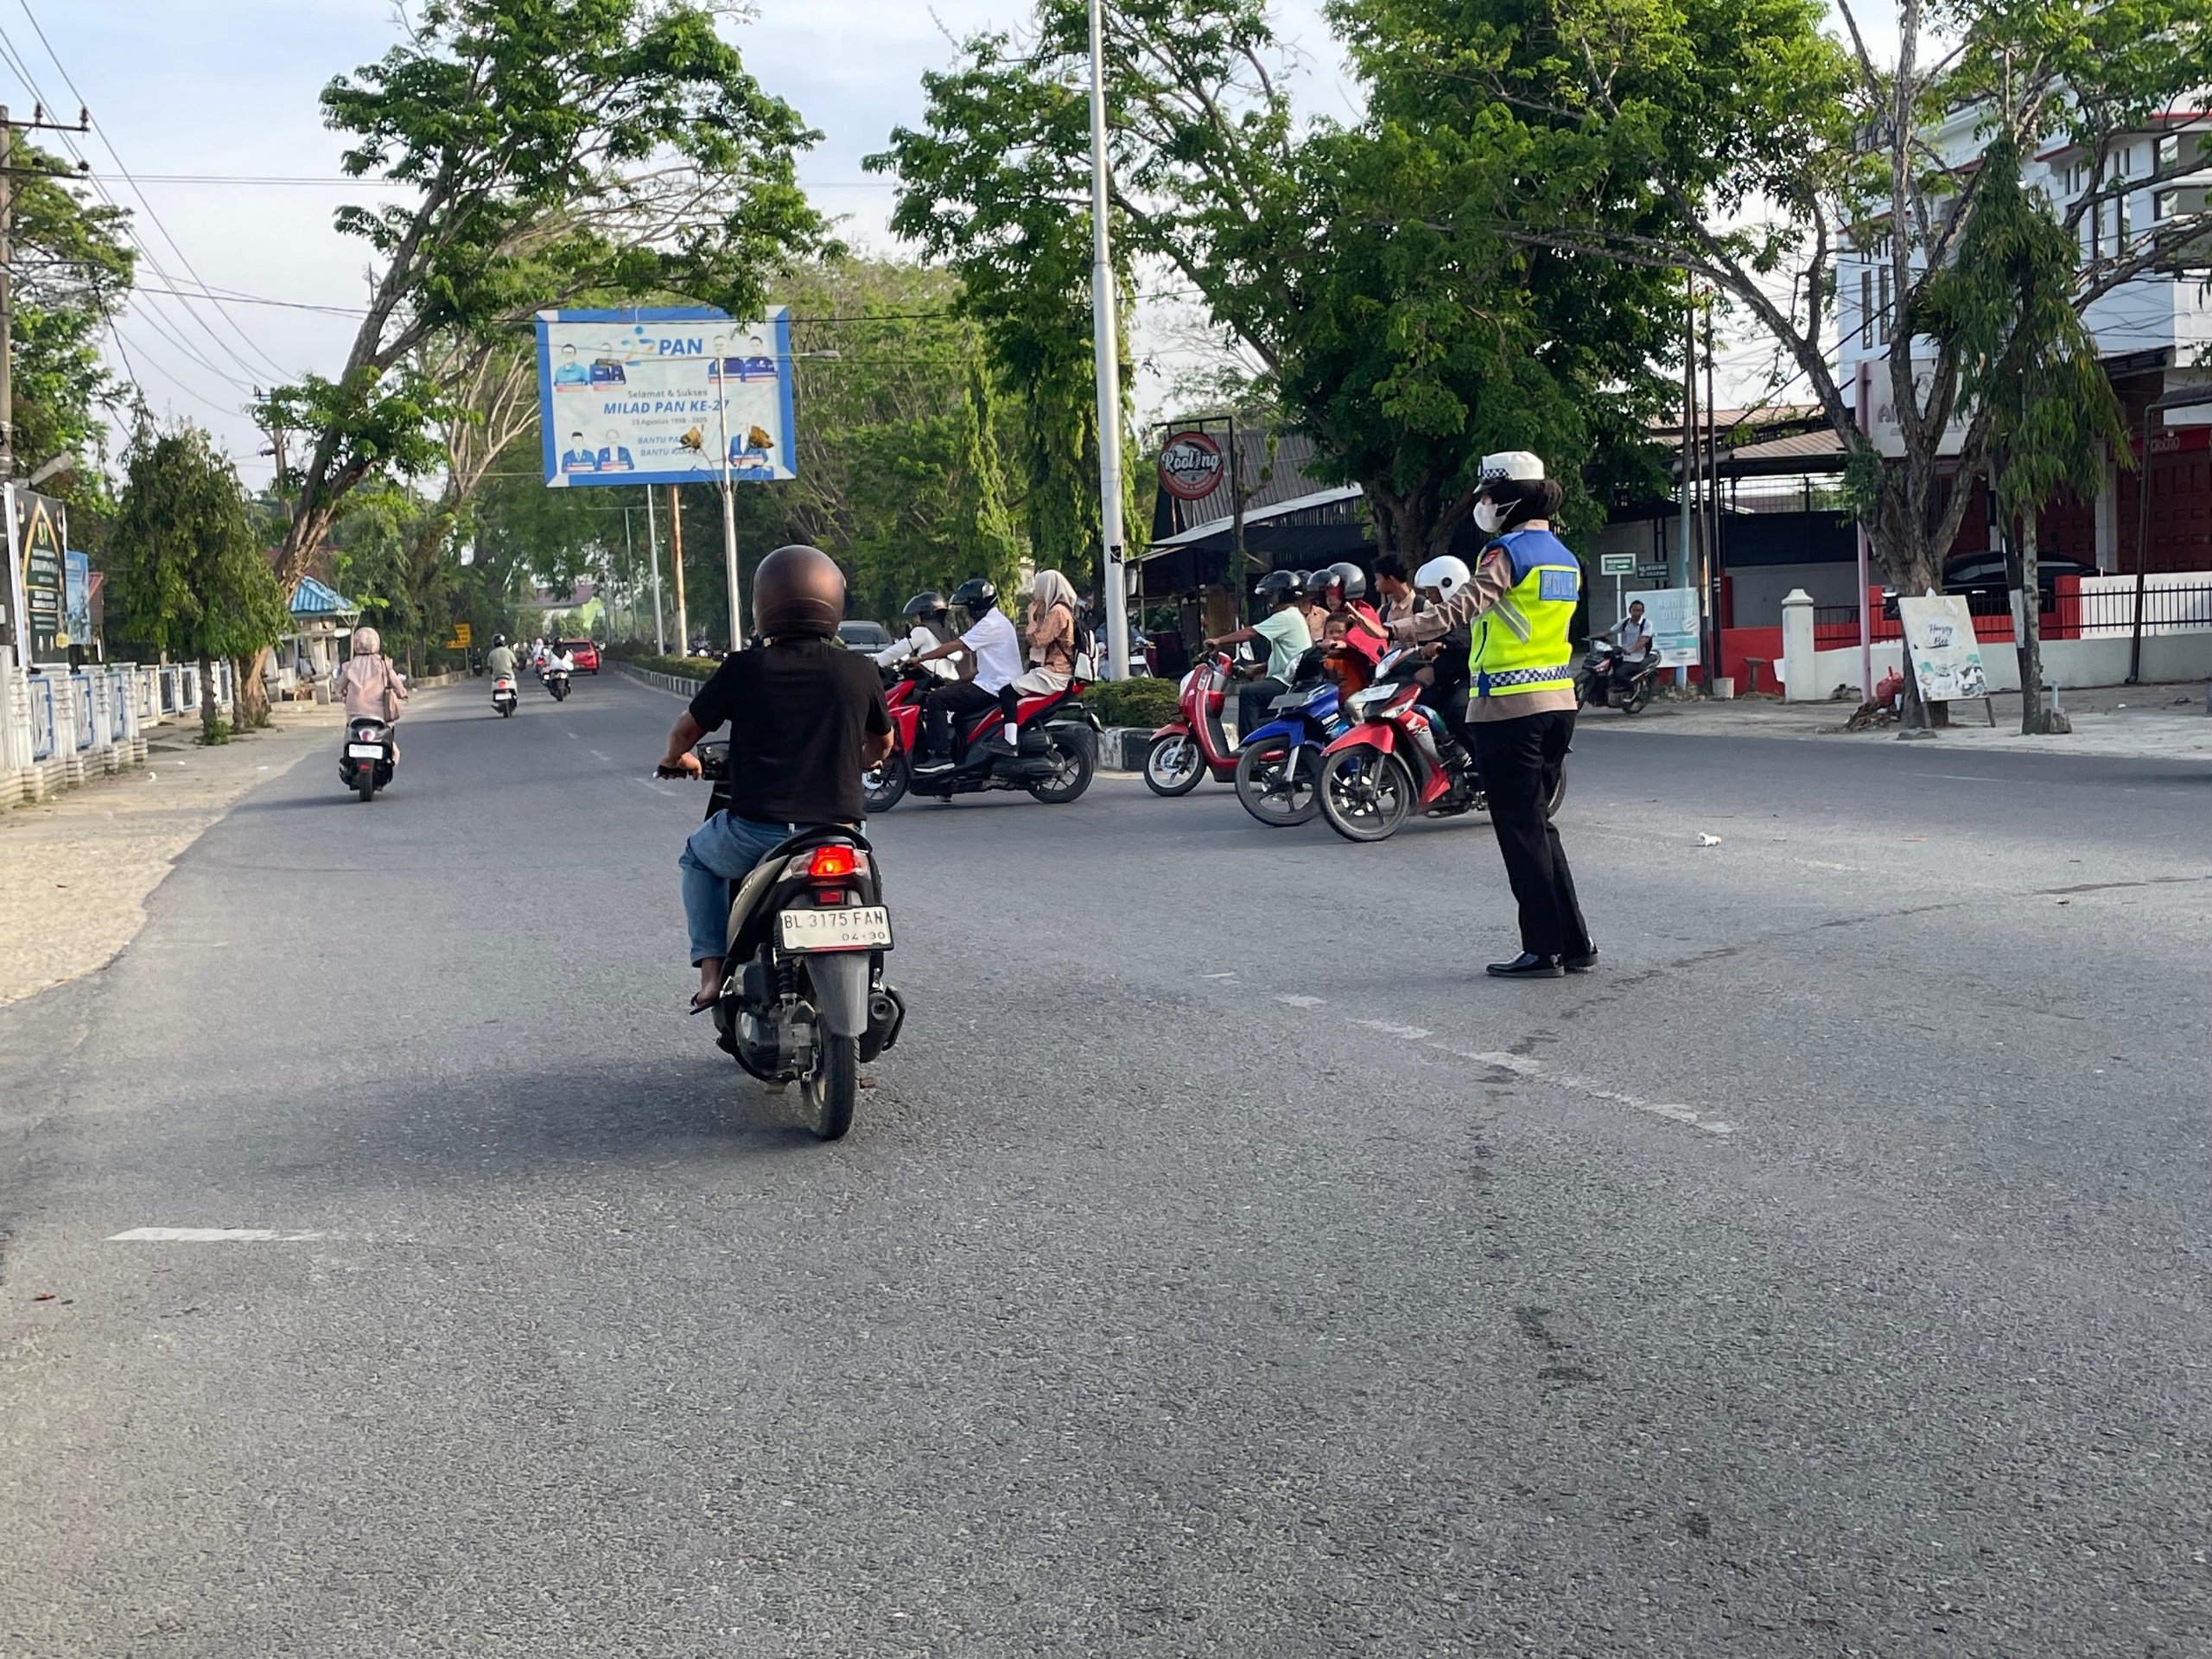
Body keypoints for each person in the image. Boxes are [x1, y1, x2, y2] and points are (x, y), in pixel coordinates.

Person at [1384, 451, 1593, 979]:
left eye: (1485, 495)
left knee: (1520, 830)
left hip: (1508, 708)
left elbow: (1463, 607)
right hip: (1557, 704)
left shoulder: (1505, 552)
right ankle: (1574, 943)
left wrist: (1399, 630)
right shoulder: (1563, 556)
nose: (1480, 504)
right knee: (1539, 825)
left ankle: (1542, 949)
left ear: (1508, 498)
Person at [658, 544, 893, 1010]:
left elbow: (687, 729)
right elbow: (883, 745)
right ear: (833, 603)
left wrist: (675, 758)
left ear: (764, 604)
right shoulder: (859, 669)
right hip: (841, 834)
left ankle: (711, 975)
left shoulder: (744, 668)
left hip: (758, 834)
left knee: (697, 861)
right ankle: (872, 984)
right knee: (868, 885)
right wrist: (863, 761)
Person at [910, 578, 1021, 772]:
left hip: (995, 687)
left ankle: (941, 757)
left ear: (976, 606)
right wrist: (958, 681)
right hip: (995, 683)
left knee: (936, 699)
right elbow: (989, 667)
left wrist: (920, 659)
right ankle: (959, 760)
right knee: (952, 702)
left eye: (967, 609)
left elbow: (955, 646)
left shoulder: (989, 624)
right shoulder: (996, 622)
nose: (968, 614)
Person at [1204, 569, 1313, 738]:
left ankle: (1249, 745)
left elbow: (1249, 633)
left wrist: (1218, 641)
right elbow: (1286, 657)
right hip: (1289, 677)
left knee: (1249, 693)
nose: (1270, 599)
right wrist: (1255, 670)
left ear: (1281, 595)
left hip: (1288, 681)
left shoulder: (1286, 616)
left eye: (1272, 595)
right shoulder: (1292, 616)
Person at [995, 569, 1081, 745]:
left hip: (1055, 673)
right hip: (1059, 671)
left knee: (1007, 693)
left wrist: (1031, 618)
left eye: (1038, 587)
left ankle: (1009, 741)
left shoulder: (1057, 612)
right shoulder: (1064, 610)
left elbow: (1038, 641)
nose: (1035, 593)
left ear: (1048, 588)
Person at [334, 625, 407, 757]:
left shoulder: (349, 666)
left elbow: (339, 686)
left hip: (355, 715)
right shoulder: (384, 665)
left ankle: (348, 757)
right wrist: (402, 693)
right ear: (376, 643)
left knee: (349, 732)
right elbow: (398, 687)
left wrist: (341, 691)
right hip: (379, 715)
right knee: (392, 745)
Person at [873, 592, 963, 682]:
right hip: (951, 678)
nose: (916, 620)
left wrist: (876, 660)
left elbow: (898, 650)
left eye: (917, 616)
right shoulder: (948, 630)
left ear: (925, 614)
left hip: (930, 679)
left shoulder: (922, 630)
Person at [1611, 599, 1652, 685]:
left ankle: (1632, 688)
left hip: (1637, 658)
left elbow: (1642, 640)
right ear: (1630, 610)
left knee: (1619, 674)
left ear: (1642, 612)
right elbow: (1610, 631)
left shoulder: (1646, 623)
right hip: (1623, 655)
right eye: (1634, 610)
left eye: (1638, 611)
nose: (1636, 613)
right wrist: (1594, 637)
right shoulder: (1625, 622)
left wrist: (1631, 650)